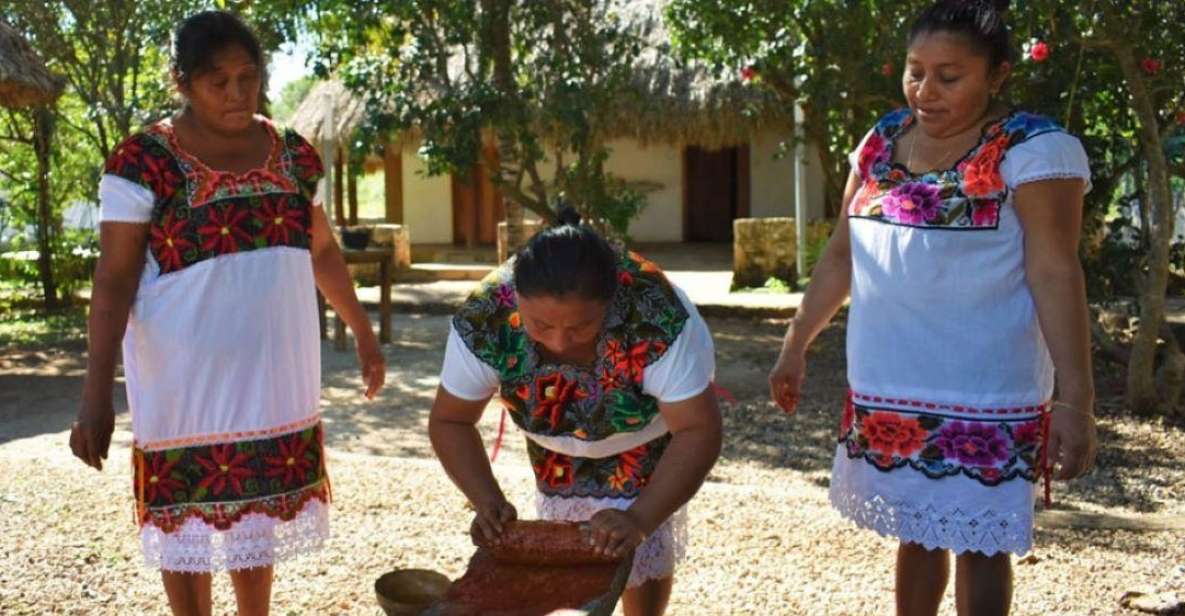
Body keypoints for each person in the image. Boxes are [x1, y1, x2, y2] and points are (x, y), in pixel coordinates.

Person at [767, 1, 1098, 614]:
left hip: (986, 391)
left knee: (982, 543)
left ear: (997, 75)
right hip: (890, 386)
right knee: (915, 533)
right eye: (916, 71)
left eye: (950, 76)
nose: (926, 91)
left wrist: (1076, 398)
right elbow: (841, 255)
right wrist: (796, 342)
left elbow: (1055, 270)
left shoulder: (1033, 150)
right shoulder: (881, 142)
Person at [69, 11, 385, 616]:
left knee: (255, 517)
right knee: (183, 523)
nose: (238, 94)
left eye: (249, 77)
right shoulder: (143, 162)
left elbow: (320, 249)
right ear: (182, 82)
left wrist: (363, 334)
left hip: (273, 382)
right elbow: (112, 280)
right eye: (219, 81)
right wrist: (95, 393)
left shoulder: (293, 155)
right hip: (181, 389)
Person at [429, 210, 722, 616]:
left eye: (581, 326)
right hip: (552, 440)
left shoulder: (654, 315)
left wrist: (639, 519)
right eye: (540, 325)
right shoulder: (486, 318)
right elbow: (450, 420)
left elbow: (698, 429)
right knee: (565, 551)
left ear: (612, 301)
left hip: (646, 432)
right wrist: (486, 498)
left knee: (637, 547)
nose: (561, 342)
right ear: (516, 299)